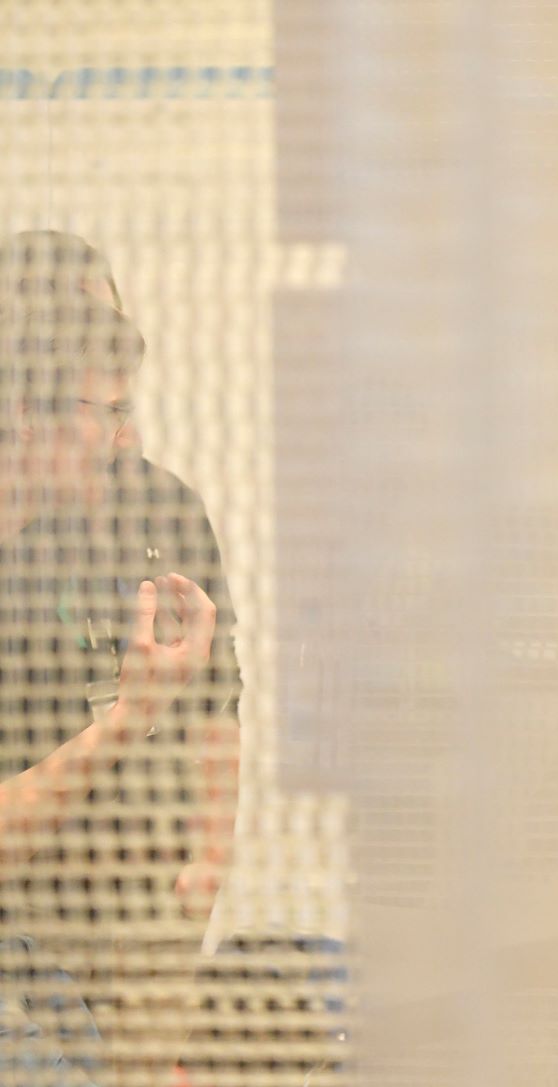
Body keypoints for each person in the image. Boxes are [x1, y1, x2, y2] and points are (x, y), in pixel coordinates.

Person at [0, 294, 226, 1083]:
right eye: (111, 411)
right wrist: (130, 718)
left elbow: (221, 701)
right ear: (30, 412)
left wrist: (209, 856)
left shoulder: (150, 508)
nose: (124, 436)